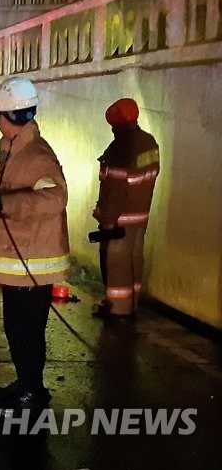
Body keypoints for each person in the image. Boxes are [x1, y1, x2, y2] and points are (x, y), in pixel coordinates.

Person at [0, 76, 69, 410]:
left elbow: (55, 198)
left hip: (33, 262)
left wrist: (8, 202)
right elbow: (5, 183)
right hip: (18, 257)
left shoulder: (38, 155)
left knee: (27, 330)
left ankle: (34, 391)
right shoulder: (14, 150)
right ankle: (25, 382)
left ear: (11, 119)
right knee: (15, 328)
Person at [92, 98, 159, 317]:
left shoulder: (120, 149)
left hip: (120, 220)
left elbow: (116, 190)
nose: (112, 130)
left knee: (117, 263)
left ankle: (118, 309)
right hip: (140, 217)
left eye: (113, 125)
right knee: (134, 260)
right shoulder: (149, 142)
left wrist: (106, 219)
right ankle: (132, 304)